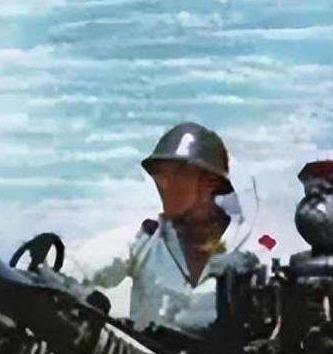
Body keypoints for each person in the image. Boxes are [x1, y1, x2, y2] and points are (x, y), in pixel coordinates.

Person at [83, 122, 269, 334]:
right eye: (160, 174)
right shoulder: (145, 241)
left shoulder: (250, 251)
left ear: (211, 182)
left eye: (178, 174)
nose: (164, 184)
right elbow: (79, 270)